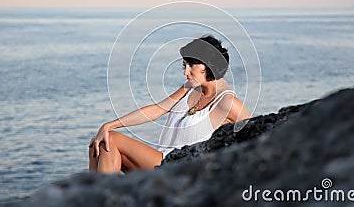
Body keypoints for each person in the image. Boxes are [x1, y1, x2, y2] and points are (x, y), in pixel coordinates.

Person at [89, 35, 251, 174]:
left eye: (191, 65)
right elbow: (156, 110)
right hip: (161, 159)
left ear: (208, 64)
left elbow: (256, 137)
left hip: (180, 168)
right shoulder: (190, 87)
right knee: (98, 143)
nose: (185, 72)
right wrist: (110, 125)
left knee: (111, 140)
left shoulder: (227, 102)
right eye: (184, 65)